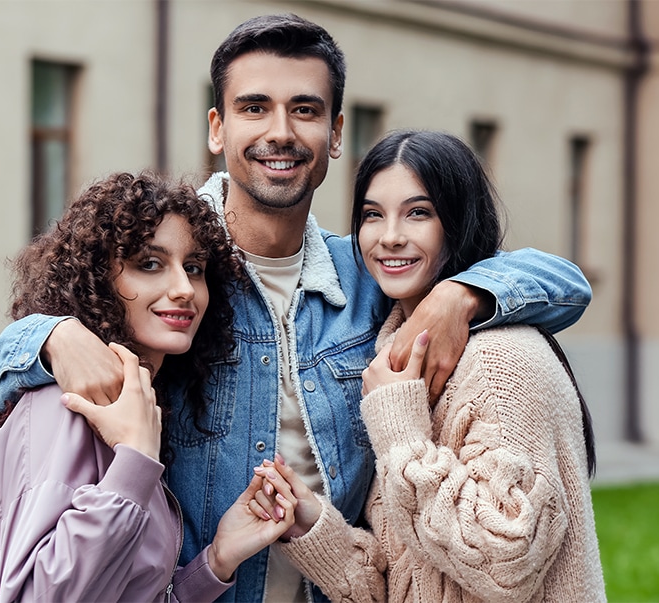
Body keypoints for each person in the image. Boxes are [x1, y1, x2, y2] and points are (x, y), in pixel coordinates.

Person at [0, 14, 593, 602]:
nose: (280, 132)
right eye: (255, 107)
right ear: (217, 128)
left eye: (305, 110)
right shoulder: (172, 281)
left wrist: (464, 293)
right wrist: (49, 334)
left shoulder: (368, 280)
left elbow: (564, 283)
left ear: (335, 134)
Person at [254, 130, 605, 602]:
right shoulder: (392, 348)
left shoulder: (502, 361)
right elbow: (418, 578)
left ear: (457, 222)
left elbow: (506, 563)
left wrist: (400, 429)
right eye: (372, 216)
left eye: (418, 213)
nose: (390, 237)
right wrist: (314, 528)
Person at [0, 171, 299, 602]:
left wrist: (217, 560)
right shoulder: (66, 407)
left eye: (194, 268)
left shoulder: (137, 404)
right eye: (149, 264)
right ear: (99, 281)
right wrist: (135, 460)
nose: (183, 289)